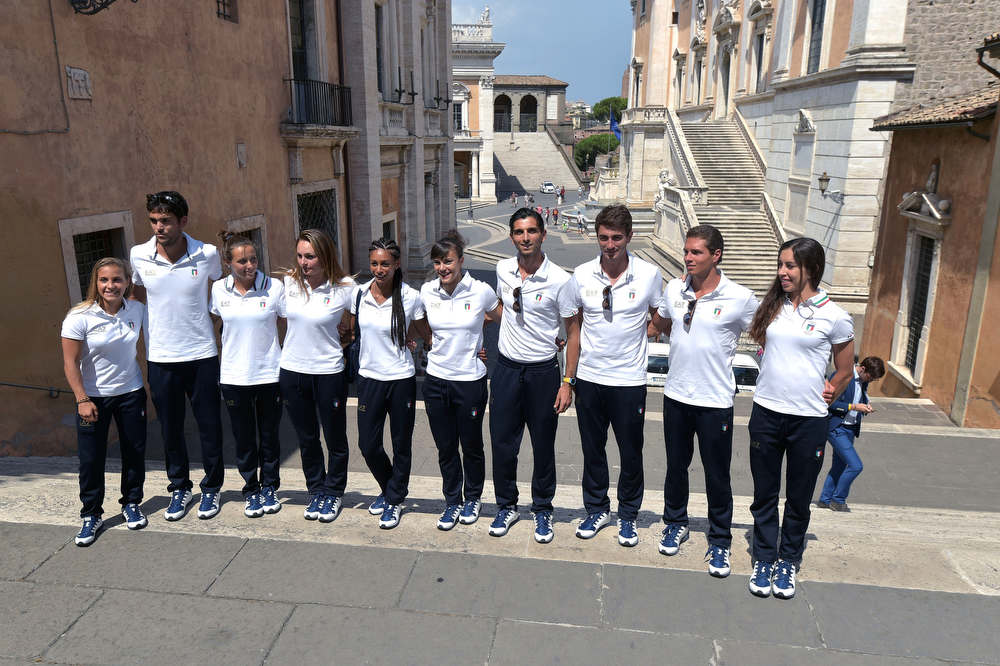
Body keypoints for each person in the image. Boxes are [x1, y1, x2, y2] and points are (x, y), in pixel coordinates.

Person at [745, 237, 855, 600]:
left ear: (812, 269)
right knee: (764, 493)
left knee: (798, 496)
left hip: (808, 420)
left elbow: (845, 370)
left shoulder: (835, 316)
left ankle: (788, 559)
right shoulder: (773, 306)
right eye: (781, 265)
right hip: (766, 413)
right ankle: (764, 556)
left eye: (790, 266)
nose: (782, 272)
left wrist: (832, 391)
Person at [647, 225, 758, 577]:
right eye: (686, 251)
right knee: (676, 467)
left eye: (696, 252)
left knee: (716, 473)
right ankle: (675, 522)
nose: (688, 258)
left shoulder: (740, 297)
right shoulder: (674, 289)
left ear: (716, 255)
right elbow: (660, 324)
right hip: (676, 395)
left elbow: (768, 339)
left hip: (715, 401)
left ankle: (721, 539)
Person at [557, 204, 664, 547]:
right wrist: (568, 380)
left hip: (630, 381)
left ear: (629, 237)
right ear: (596, 237)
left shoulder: (648, 275)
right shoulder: (582, 274)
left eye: (617, 238)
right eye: (604, 237)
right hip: (590, 378)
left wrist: (643, 333)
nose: (610, 244)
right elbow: (572, 330)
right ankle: (596, 509)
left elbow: (660, 316)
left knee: (631, 451)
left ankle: (628, 514)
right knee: (593, 449)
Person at [130, 191, 224, 521]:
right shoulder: (138, 255)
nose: (159, 227)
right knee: (170, 428)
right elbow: (137, 295)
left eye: (166, 221)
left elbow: (222, 292)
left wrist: (209, 320)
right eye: (154, 221)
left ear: (183, 221)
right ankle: (180, 487)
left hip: (201, 355)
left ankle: (212, 488)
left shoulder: (207, 253)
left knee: (210, 425)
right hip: (161, 357)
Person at [490, 208, 571, 542]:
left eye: (532, 231)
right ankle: (506, 505)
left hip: (543, 373)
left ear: (543, 235)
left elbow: (573, 330)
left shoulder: (561, 280)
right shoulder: (502, 269)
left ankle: (543, 509)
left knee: (542, 445)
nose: (526, 238)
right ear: (511, 236)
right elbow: (500, 308)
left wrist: (568, 380)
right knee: (502, 444)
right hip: (506, 369)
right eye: (520, 232)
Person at [416, 230, 501, 531]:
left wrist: (478, 333)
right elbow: (419, 321)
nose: (443, 268)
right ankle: (452, 500)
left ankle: (473, 498)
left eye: (448, 261)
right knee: (446, 447)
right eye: (438, 262)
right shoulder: (427, 291)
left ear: (461, 260)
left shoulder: (481, 291)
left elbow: (500, 316)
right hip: (436, 381)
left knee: (472, 445)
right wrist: (428, 341)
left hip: (470, 381)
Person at [62, 258, 147, 546]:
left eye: (117, 280)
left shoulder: (136, 310)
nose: (111, 286)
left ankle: (131, 503)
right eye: (104, 280)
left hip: (131, 393)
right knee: (91, 458)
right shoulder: (79, 316)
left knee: (134, 451)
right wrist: (82, 399)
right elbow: (70, 363)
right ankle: (91, 514)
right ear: (96, 283)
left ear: (127, 282)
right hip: (93, 398)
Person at [344, 238, 426, 530]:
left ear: (397, 264)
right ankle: (391, 486)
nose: (379, 269)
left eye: (385, 264)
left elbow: (426, 333)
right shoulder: (358, 295)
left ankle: (393, 499)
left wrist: (476, 348)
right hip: (369, 378)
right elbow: (350, 330)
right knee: (368, 444)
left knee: (401, 443)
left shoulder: (411, 296)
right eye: (375, 263)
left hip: (401, 379)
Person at [278, 228, 355, 523]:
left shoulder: (345, 288)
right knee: (307, 437)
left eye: (310, 257)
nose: (303, 263)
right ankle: (316, 490)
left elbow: (374, 312)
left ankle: (334, 492)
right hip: (293, 372)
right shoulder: (289, 283)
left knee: (335, 438)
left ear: (325, 257)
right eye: (299, 256)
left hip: (328, 374)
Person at [209, 233, 284, 518]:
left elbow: (288, 323)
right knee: (243, 438)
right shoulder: (219, 290)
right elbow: (214, 321)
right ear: (229, 263)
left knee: (269, 436)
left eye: (253, 259)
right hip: (233, 378)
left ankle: (270, 487)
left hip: (269, 375)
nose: (249, 265)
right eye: (242, 261)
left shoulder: (274, 287)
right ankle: (250, 489)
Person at [816, 356, 885, 512]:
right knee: (855, 465)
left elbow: (861, 396)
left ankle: (825, 500)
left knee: (839, 466)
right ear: (863, 369)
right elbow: (829, 402)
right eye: (870, 377)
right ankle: (838, 499)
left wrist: (865, 406)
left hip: (850, 429)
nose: (871, 380)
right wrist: (854, 407)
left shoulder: (863, 381)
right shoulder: (842, 377)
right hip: (836, 427)